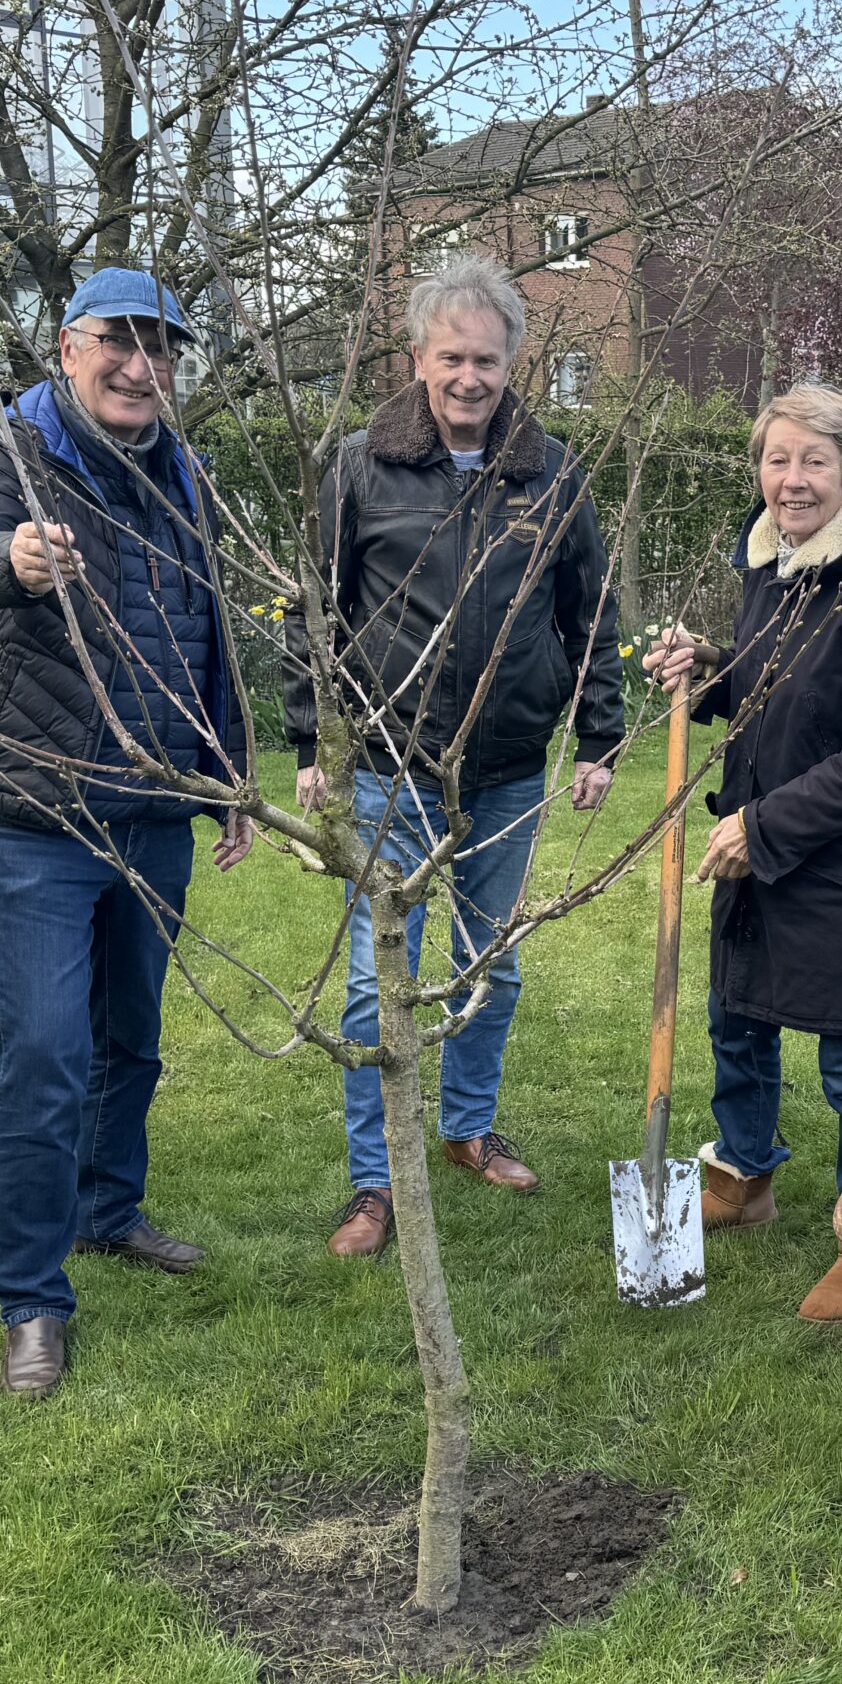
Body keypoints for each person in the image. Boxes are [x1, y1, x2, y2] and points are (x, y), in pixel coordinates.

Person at [0, 267, 254, 1400]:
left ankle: (106, 1214)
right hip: (40, 803)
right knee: (46, 1051)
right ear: (68, 345)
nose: (139, 365)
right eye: (117, 341)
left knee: (134, 1035)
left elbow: (210, 628)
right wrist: (15, 560)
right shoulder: (12, 452)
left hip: (156, 800)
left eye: (160, 346)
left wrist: (226, 777)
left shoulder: (187, 475)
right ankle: (29, 1296)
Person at [284, 253, 623, 1251]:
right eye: (451, 358)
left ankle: (468, 1129)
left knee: (491, 966)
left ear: (511, 359)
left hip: (510, 765)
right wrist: (313, 737)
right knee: (373, 977)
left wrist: (600, 733)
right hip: (393, 758)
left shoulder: (551, 471)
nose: (470, 377)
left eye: (487, 359)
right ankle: (375, 1179)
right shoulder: (357, 465)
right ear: (417, 357)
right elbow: (316, 609)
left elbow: (590, 612)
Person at [646, 385, 842, 1323]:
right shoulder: (777, 568)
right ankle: (744, 1177)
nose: (793, 479)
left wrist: (764, 826)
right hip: (762, 852)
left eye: (815, 460)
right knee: (737, 1022)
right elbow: (780, 687)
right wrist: (708, 673)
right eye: (777, 460)